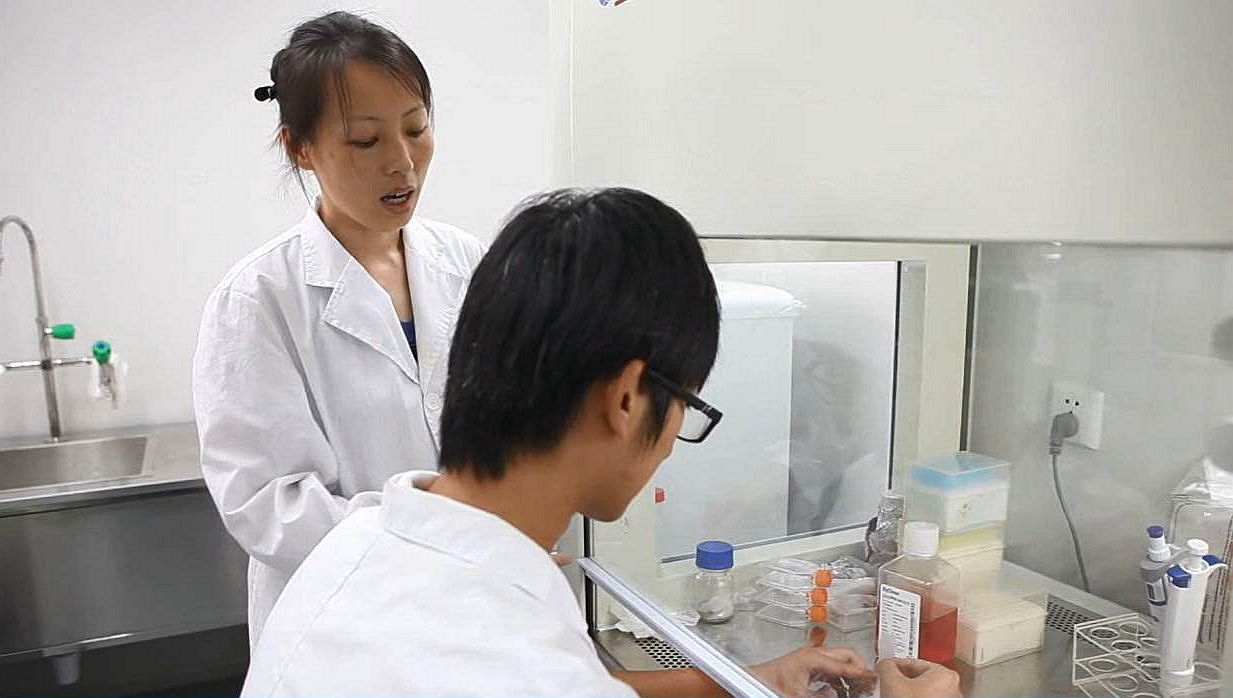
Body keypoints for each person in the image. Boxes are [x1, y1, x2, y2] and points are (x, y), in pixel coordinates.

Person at [241, 188, 959, 697]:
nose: (673, 444)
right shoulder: (503, 658)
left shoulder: (367, 538)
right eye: (687, 407)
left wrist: (743, 682)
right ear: (626, 399)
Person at [192, 11, 485, 645]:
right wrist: (434, 529)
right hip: (343, 626)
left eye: (416, 128)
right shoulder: (258, 299)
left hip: (471, 602)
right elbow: (268, 506)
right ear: (300, 148)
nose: (402, 162)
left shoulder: (466, 263)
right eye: (365, 141)